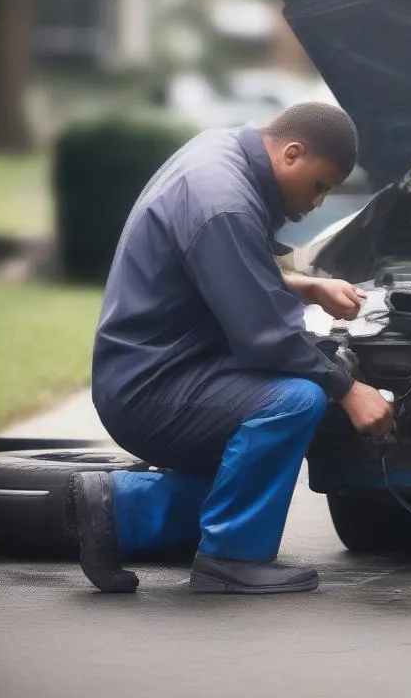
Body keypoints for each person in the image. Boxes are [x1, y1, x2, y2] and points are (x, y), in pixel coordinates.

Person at [67, 102, 393, 595]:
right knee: (296, 400)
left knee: (241, 476)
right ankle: (231, 559)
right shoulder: (225, 201)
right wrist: (350, 391)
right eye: (321, 185)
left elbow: (224, 264)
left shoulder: (219, 154)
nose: (319, 202)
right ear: (292, 153)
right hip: (152, 388)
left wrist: (303, 285)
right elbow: (268, 339)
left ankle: (121, 510)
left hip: (158, 370)